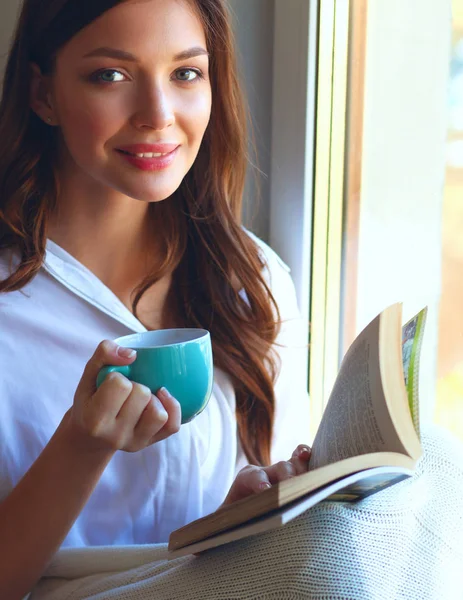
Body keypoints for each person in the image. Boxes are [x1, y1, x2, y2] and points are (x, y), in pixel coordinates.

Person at [0, 0, 312, 597]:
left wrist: (233, 518)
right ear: (43, 94)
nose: (158, 114)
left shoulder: (252, 281)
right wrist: (81, 447)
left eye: (185, 73)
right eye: (110, 75)